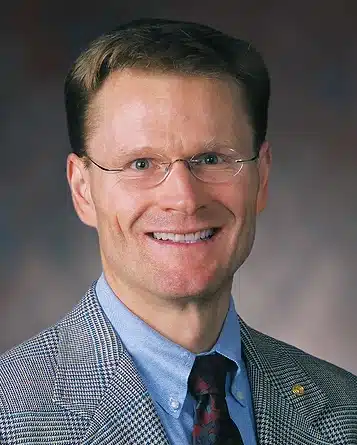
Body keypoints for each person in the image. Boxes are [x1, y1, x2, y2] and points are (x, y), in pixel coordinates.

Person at [0, 17, 356, 445]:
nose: (184, 198)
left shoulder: (344, 407)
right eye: (141, 164)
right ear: (83, 190)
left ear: (261, 178)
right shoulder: (13, 416)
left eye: (211, 158)